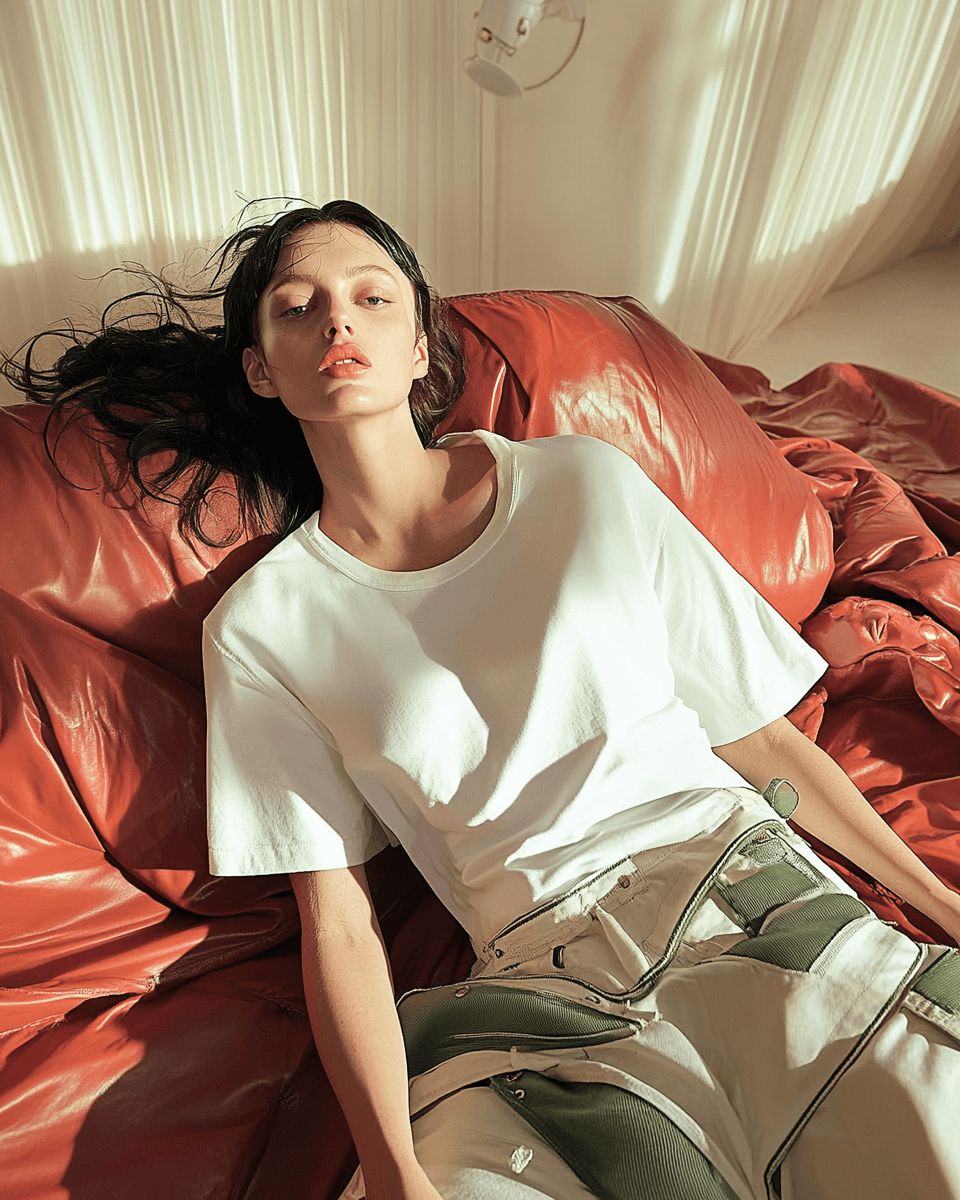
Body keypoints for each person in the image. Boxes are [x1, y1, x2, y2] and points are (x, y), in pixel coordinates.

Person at [8, 200, 960, 1200]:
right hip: (542, 997)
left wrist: (940, 903)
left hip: (741, 896)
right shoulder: (262, 629)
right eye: (297, 308)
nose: (338, 323)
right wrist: (392, 1168)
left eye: (372, 298)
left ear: (420, 345)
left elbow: (759, 739)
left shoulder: (585, 484)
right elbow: (339, 926)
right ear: (261, 369)